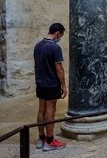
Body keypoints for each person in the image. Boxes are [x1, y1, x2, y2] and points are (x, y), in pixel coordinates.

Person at [34, 23, 67, 152]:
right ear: (57, 33)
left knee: (41, 110)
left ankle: (41, 138)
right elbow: (59, 69)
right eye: (61, 35)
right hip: (51, 84)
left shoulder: (38, 45)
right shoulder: (55, 47)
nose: (60, 38)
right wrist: (64, 86)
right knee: (50, 111)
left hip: (40, 83)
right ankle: (49, 141)